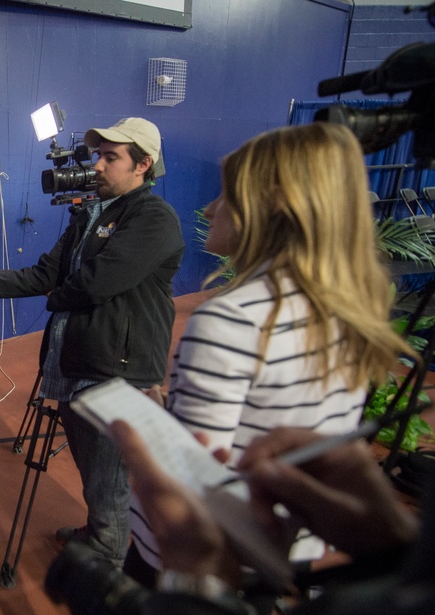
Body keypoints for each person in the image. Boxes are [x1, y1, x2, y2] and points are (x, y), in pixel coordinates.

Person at [127, 122, 414, 583]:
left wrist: (152, 419)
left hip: (193, 563)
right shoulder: (349, 306)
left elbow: (198, 476)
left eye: (226, 195)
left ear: (272, 204)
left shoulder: (232, 320)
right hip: (283, 546)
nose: (210, 208)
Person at [0, 117, 184, 567]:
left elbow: (97, 283)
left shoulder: (154, 217)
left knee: (108, 478)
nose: (97, 165)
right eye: (98, 155)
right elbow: (42, 273)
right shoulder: (89, 216)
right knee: (92, 469)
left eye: (110, 157)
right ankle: (98, 532)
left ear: (143, 164)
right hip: (80, 366)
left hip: (120, 374)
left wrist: (55, 299)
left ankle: (107, 568)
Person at [110, 420, 433, 615]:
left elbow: (200, 437)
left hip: (222, 554)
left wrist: (196, 588)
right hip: (277, 552)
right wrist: (394, 551)